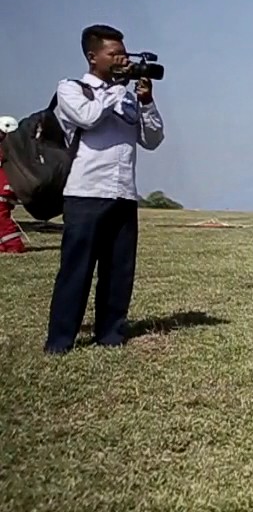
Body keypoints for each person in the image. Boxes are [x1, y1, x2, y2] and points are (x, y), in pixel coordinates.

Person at [44, 25, 165, 355]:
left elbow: (152, 139)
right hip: (86, 192)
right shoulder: (72, 89)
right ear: (92, 56)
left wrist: (146, 102)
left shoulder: (125, 96)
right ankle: (60, 341)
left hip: (123, 193)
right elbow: (89, 117)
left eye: (125, 54)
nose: (122, 60)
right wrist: (117, 87)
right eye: (114, 54)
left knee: (118, 270)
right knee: (76, 270)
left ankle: (110, 334)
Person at [0, 115, 26, 254]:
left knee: (1, 217)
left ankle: (14, 244)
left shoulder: (8, 148)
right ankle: (4, 244)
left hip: (3, 188)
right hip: (5, 187)